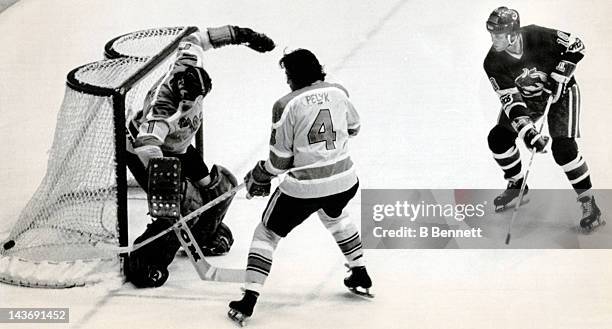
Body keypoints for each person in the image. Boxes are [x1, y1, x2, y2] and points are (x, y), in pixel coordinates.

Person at [227, 48, 372, 326]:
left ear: (293, 75)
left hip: (304, 188)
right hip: (345, 181)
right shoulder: (339, 91)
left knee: (266, 234)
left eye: (287, 74)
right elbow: (354, 127)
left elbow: (279, 163)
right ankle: (360, 271)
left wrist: (259, 173)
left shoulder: (285, 104)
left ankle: (248, 300)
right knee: (335, 215)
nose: (286, 80)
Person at [125, 25, 276, 288]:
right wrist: (170, 185)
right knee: (183, 209)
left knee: (219, 190)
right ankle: (143, 259)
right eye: (189, 101)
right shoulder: (162, 109)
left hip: (180, 150)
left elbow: (198, 38)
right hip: (152, 155)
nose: (193, 104)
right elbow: (146, 146)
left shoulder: (188, 62)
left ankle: (202, 237)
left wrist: (246, 36)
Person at [483, 7, 602, 230]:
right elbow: (512, 103)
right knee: (498, 139)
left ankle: (589, 202)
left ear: (512, 33)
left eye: (498, 34)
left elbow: (576, 45)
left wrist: (561, 72)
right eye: (491, 34)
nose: (493, 39)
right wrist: (528, 133)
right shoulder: (492, 62)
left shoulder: (538, 36)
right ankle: (517, 183)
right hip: (528, 99)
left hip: (562, 95)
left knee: (564, 149)